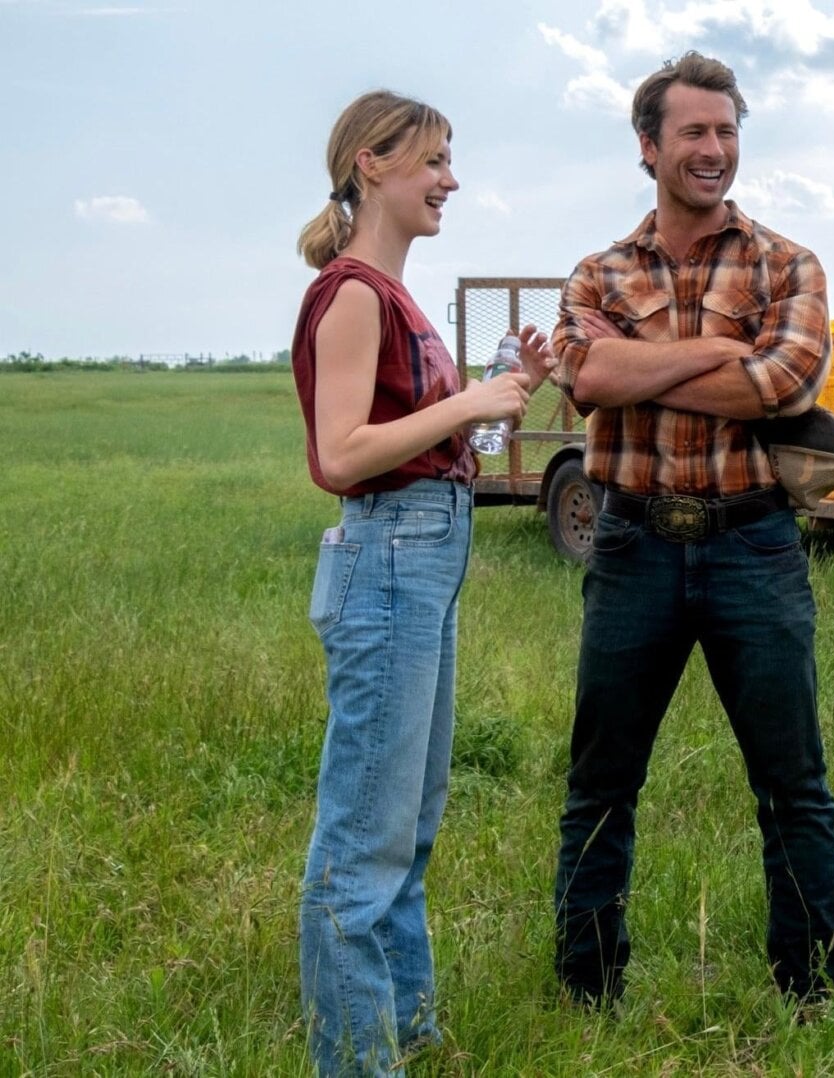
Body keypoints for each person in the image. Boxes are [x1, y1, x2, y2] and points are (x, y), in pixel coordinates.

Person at [547, 51, 834, 1011]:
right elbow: (584, 382)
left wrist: (641, 363)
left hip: (752, 545)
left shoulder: (789, 264)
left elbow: (783, 385)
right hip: (631, 546)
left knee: (791, 783)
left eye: (726, 132)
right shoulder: (597, 271)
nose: (713, 150)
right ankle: (588, 987)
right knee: (602, 782)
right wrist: (717, 348)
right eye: (693, 133)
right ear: (649, 146)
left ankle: (809, 987)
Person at [291, 90, 549, 1076]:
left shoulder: (400, 301)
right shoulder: (352, 291)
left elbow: (451, 447)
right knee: (362, 839)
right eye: (434, 161)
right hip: (391, 556)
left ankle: (410, 1032)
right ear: (371, 164)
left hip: (426, 554)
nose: (451, 180)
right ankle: (358, 1062)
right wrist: (472, 401)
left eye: (450, 161)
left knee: (410, 823)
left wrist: (500, 384)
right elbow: (346, 453)